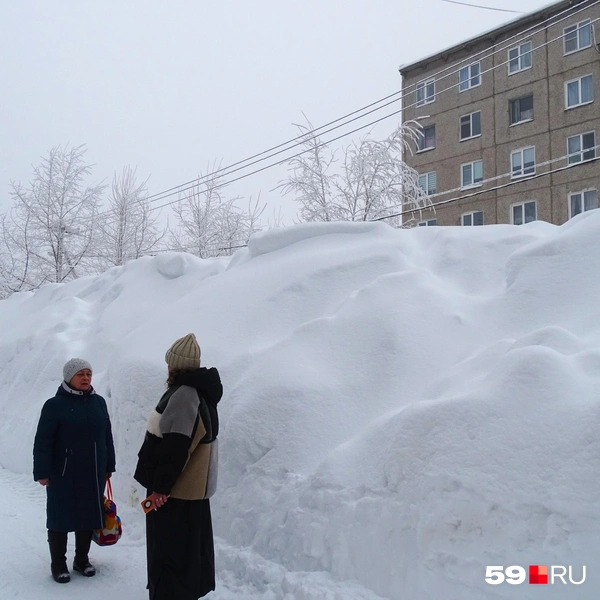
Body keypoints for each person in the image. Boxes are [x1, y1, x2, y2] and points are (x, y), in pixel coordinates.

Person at [134, 333, 222, 600]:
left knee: (170, 555)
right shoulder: (198, 391)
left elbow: (176, 446)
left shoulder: (184, 395)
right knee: (187, 555)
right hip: (189, 493)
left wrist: (160, 488)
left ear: (174, 365)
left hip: (176, 493)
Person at [33, 358, 116, 584]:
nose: (86, 378)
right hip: (63, 472)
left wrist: (109, 465)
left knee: (88, 515)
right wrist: (42, 471)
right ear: (69, 377)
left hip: (93, 471)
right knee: (60, 517)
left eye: (89, 374)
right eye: (80, 374)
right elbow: (43, 441)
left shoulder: (98, 403)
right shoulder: (54, 405)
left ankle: (82, 560)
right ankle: (58, 564)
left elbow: (107, 437)